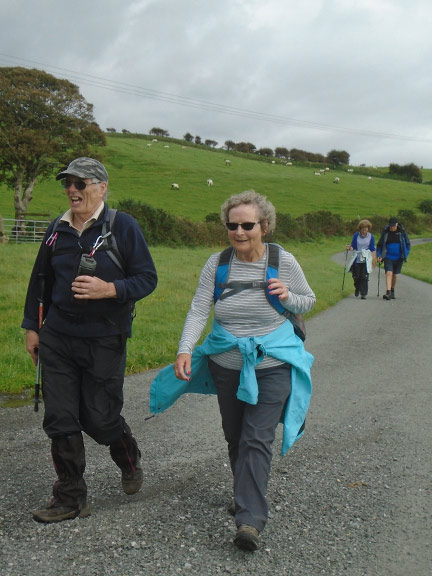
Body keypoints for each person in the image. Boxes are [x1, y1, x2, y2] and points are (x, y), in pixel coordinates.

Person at [150, 190, 315, 551]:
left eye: (248, 225)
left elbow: (308, 299)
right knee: (235, 435)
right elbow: (198, 310)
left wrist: (287, 296)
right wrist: (184, 349)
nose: (239, 231)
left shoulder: (283, 261)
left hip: (273, 365)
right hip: (227, 365)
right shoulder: (218, 263)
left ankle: (249, 520)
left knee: (257, 437)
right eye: (232, 225)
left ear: (265, 226)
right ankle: (246, 493)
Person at [22, 157, 158, 523]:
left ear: (101, 187)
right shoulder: (57, 229)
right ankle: (70, 497)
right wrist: (32, 328)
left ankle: (128, 456)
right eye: (67, 183)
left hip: (104, 338)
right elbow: (40, 282)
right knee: (61, 417)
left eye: (80, 183)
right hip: (58, 337)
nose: (72, 190)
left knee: (99, 418)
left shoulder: (122, 227)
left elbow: (147, 279)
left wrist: (109, 288)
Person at [376, 217, 410, 300]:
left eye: (393, 226)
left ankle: (392, 289)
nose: (392, 228)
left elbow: (408, 244)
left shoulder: (402, 232)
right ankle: (388, 292)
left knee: (394, 275)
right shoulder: (386, 232)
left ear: (397, 224)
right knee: (389, 273)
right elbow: (379, 245)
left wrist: (405, 254)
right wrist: (379, 255)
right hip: (388, 257)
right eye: (391, 226)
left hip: (399, 258)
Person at [345, 219, 376, 299]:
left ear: (368, 229)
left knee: (364, 276)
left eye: (366, 229)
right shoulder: (356, 235)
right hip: (357, 258)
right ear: (360, 229)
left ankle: (363, 293)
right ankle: (357, 288)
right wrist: (349, 248)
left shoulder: (371, 237)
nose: (364, 231)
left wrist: (373, 261)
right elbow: (353, 246)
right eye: (363, 229)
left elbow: (372, 249)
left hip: (366, 259)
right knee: (356, 276)